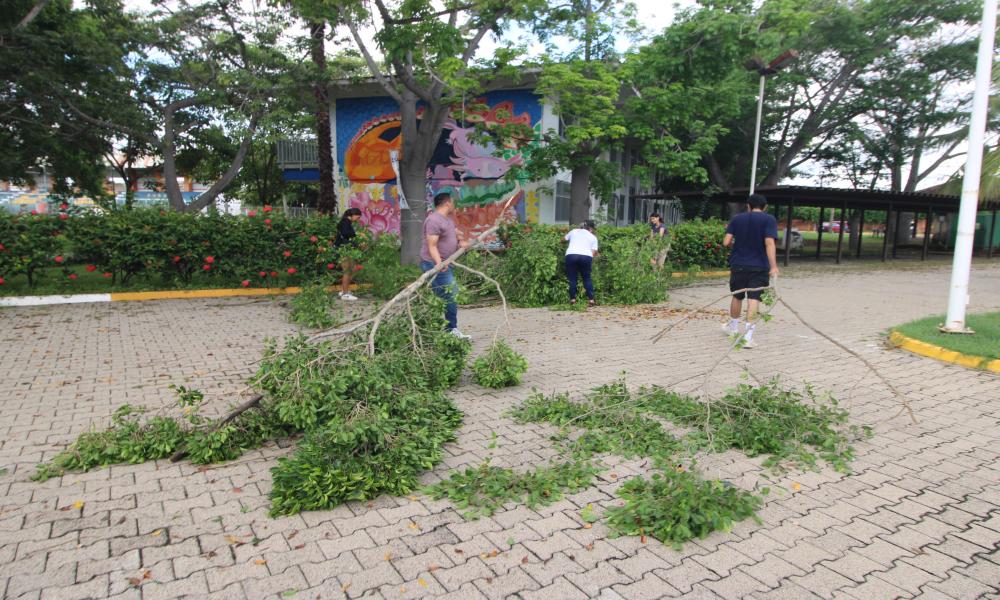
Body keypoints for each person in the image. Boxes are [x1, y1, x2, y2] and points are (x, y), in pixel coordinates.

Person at [722, 194, 779, 349]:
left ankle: (733, 329)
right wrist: (773, 265)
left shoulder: (737, 219)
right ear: (765, 207)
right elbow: (769, 243)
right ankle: (747, 337)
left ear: (748, 205)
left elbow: (726, 242)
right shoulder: (769, 220)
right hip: (759, 266)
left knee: (737, 296)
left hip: (738, 264)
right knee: (754, 299)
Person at [421, 192, 470, 339]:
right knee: (450, 294)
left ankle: (440, 329)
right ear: (448, 203)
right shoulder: (433, 220)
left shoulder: (446, 219)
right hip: (434, 264)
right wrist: (438, 263)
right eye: (453, 202)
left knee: (445, 296)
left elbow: (454, 232)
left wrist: (461, 240)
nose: (454, 204)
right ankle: (450, 329)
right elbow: (432, 245)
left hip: (446, 263)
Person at [564, 220, 599, 306]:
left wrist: (561, 243)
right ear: (590, 228)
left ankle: (572, 299)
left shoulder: (574, 231)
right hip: (586, 256)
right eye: (593, 229)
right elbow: (594, 252)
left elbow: (564, 239)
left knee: (572, 278)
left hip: (571, 255)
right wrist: (589, 259)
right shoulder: (593, 237)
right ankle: (591, 300)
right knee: (587, 278)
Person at [334, 207, 363, 300]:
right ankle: (345, 293)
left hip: (348, 249)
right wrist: (357, 237)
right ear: (353, 215)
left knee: (353, 269)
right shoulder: (344, 222)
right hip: (344, 249)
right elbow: (346, 235)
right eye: (358, 217)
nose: (358, 220)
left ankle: (344, 290)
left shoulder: (347, 222)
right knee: (347, 271)